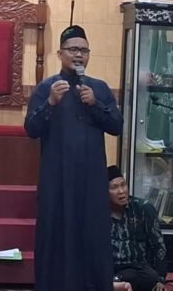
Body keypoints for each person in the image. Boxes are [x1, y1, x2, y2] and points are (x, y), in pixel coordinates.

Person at [24, 25, 123, 291]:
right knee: (56, 236)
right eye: (73, 50)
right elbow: (31, 129)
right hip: (57, 181)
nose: (79, 55)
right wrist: (50, 103)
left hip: (92, 182)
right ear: (60, 54)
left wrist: (96, 104)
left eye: (84, 50)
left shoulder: (99, 88)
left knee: (93, 237)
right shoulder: (47, 88)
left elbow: (116, 125)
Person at [108, 165, 166, 291]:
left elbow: (158, 245)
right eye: (114, 187)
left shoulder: (143, 209)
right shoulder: (98, 215)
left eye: (123, 185)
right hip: (111, 269)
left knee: (150, 277)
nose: (121, 191)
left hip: (139, 269)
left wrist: (161, 279)